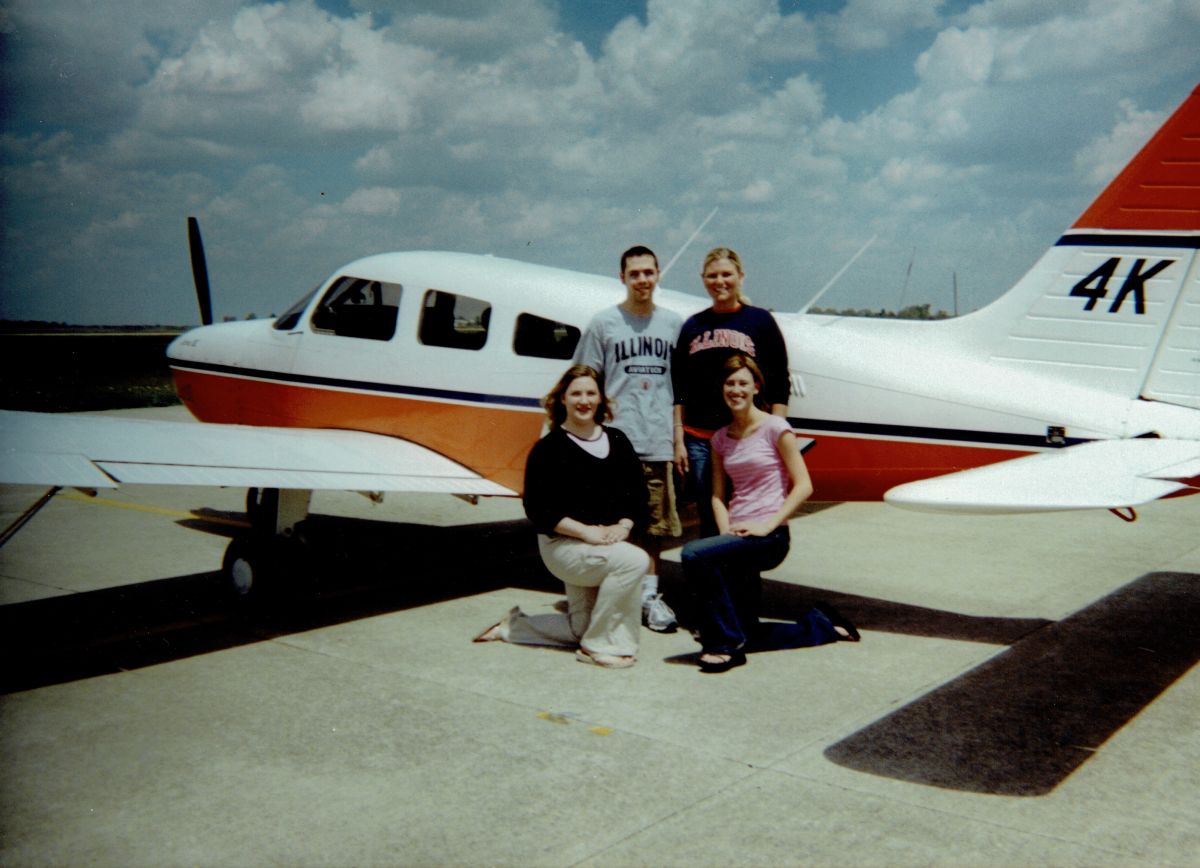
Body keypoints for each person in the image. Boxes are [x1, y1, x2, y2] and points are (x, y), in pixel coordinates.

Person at [682, 354, 859, 674]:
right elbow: (717, 498)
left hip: (770, 537)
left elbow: (804, 486)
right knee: (748, 631)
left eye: (742, 383)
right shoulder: (721, 438)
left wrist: (767, 525)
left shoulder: (776, 428)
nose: (735, 390)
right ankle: (823, 625)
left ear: (755, 387)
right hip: (736, 537)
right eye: (729, 383)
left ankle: (724, 645)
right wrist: (726, 536)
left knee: (693, 554)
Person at [473, 364, 651, 669]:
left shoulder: (618, 440)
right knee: (634, 561)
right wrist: (586, 533)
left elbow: (637, 493)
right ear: (563, 400)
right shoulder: (549, 449)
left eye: (591, 393)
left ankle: (512, 627)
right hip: (565, 546)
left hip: (608, 542)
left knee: (579, 627)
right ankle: (599, 646)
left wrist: (623, 526)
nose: (584, 400)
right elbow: (539, 508)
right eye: (576, 393)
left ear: (601, 400)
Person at [573, 245, 683, 634]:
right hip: (613, 444)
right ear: (622, 277)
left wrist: (678, 438)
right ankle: (613, 595)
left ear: (658, 275)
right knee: (608, 524)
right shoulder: (603, 323)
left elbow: (679, 389)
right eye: (634, 273)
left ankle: (650, 598)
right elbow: (583, 382)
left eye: (648, 272)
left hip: (655, 441)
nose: (642, 280)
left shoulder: (673, 325)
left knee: (651, 528)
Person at [672, 247, 790, 539]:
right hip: (700, 437)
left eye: (727, 274)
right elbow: (679, 387)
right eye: (712, 275)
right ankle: (713, 577)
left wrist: (774, 431)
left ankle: (742, 580)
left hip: (746, 437)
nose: (720, 281)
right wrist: (678, 437)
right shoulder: (693, 325)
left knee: (747, 510)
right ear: (703, 280)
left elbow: (779, 381)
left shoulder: (760, 321)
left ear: (741, 277)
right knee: (709, 512)